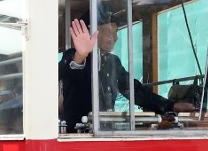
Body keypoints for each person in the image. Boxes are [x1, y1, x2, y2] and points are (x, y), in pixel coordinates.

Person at [58, 10, 195, 129]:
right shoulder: (72, 55)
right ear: (91, 34)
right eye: (108, 32)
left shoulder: (113, 61)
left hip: (105, 131)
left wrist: (171, 105)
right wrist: (80, 55)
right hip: (77, 134)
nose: (115, 38)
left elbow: (135, 90)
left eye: (116, 32)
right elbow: (63, 70)